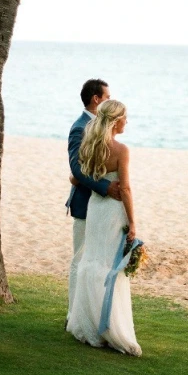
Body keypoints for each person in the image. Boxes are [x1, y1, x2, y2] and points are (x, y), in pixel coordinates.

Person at [66, 99, 142, 356]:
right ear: (115, 120)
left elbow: (76, 177)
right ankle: (112, 329)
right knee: (111, 269)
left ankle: (87, 326)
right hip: (112, 212)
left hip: (95, 209)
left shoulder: (90, 145)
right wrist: (133, 222)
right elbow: (127, 189)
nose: (127, 122)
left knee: (92, 262)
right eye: (124, 117)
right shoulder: (121, 150)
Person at [66, 79, 121, 320]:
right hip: (85, 203)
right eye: (107, 97)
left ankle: (91, 312)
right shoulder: (80, 127)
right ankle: (72, 314)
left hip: (103, 207)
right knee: (80, 259)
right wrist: (106, 187)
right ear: (97, 99)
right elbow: (77, 170)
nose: (109, 100)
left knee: (98, 260)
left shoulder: (102, 127)